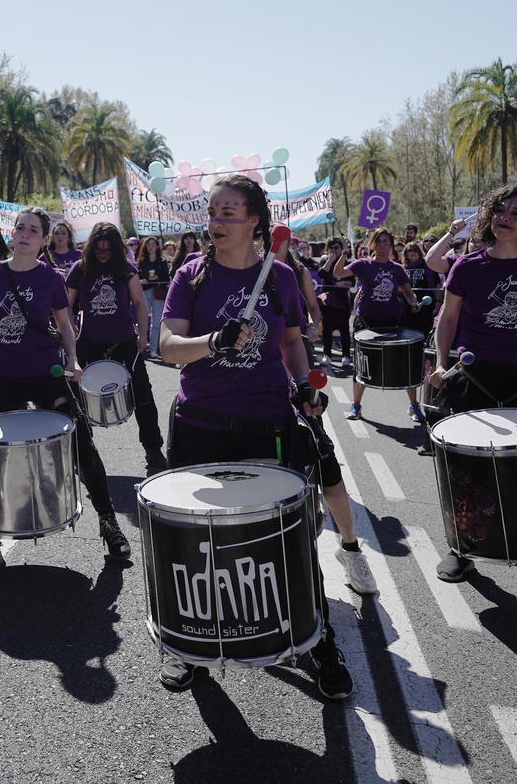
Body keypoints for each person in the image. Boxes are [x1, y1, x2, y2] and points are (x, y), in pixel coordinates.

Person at [158, 174, 375, 701]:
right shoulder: (189, 276)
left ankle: (318, 639)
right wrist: (213, 341)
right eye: (213, 211)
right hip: (200, 425)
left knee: (288, 539)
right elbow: (166, 347)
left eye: (231, 212)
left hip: (267, 423)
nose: (218, 221)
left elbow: (294, 342)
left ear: (255, 220)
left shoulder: (278, 276)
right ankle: (191, 648)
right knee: (198, 546)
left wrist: (303, 386)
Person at [0, 207, 131, 559]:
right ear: (12, 234)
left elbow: (65, 326)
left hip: (46, 374)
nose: (24, 233)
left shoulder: (50, 278)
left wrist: (72, 360)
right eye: (20, 227)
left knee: (83, 446)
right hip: (5, 377)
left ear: (44, 240)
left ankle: (108, 521)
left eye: (33, 230)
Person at [424, 183, 517, 582]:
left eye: (516, 213)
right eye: (500, 210)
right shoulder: (469, 266)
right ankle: (460, 547)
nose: (505, 218)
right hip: (473, 374)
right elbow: (447, 320)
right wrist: (440, 363)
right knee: (465, 469)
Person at [65, 222, 165, 460]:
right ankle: (83, 450)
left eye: (107, 249)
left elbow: (140, 303)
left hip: (124, 341)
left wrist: (142, 336)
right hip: (88, 342)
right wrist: (71, 332)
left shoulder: (126, 268)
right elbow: (66, 306)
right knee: (76, 399)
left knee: (143, 394)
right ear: (91, 247)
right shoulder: (79, 269)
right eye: (98, 248)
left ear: (116, 248)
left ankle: (153, 448)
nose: (102, 253)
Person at [336, 227, 424, 422]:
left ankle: (414, 406)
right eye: (379, 241)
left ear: (391, 245)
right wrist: (344, 252)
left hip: (393, 322)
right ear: (372, 244)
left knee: (405, 363)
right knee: (362, 365)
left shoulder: (396, 269)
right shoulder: (363, 264)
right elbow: (338, 273)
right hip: (366, 323)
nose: (383, 245)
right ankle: (356, 406)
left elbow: (409, 294)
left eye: (386, 242)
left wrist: (413, 303)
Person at [317, 238, 355, 366]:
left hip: (342, 300)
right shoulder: (324, 260)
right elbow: (321, 274)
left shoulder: (346, 262)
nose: (333, 250)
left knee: (344, 329)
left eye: (336, 247)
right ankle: (327, 355)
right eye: (331, 248)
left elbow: (352, 282)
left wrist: (343, 283)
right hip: (328, 301)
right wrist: (330, 260)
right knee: (327, 329)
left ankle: (346, 356)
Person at [137, 236, 171, 357]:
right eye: (148, 244)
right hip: (145, 292)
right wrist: (142, 281)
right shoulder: (141, 261)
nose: (151, 247)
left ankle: (153, 349)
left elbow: (167, 279)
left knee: (156, 323)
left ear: (157, 247)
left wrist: (158, 279)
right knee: (141, 320)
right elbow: (137, 278)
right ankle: (139, 346)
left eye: (153, 244)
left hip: (158, 293)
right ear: (145, 246)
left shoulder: (162, 262)